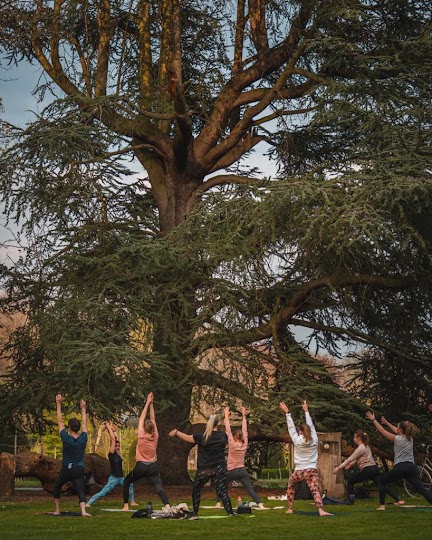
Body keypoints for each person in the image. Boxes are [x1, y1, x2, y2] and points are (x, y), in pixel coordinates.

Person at [169, 413, 235, 520]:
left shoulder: (202, 436)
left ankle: (195, 513)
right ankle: (230, 513)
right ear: (217, 423)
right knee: (222, 491)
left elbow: (187, 437)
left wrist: (177, 432)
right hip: (219, 468)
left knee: (196, 490)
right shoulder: (223, 436)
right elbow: (230, 441)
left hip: (204, 469)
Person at [366, 411, 432, 510]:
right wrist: (387, 423)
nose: (396, 429)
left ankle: (382, 506)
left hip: (400, 467)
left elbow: (382, 431)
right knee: (420, 487)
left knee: (382, 482)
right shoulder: (410, 438)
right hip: (411, 467)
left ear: (400, 430)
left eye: (397, 427)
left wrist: (373, 420)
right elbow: (397, 430)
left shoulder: (397, 439)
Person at [280, 400, 332, 517]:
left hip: (298, 471)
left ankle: (290, 508)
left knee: (290, 486)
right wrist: (306, 411)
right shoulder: (314, 440)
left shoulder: (297, 440)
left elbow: (291, 428)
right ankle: (321, 510)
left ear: (300, 432)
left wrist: (287, 413)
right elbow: (311, 425)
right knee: (315, 490)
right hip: (310, 470)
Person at [122, 392, 170, 511]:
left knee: (127, 481)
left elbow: (142, 418)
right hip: (152, 467)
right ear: (153, 428)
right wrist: (152, 405)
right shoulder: (156, 436)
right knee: (158, 487)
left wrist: (148, 402)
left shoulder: (142, 435)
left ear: (144, 428)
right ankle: (167, 505)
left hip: (141, 466)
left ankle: (126, 506)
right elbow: (152, 419)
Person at [332, 429, 404, 505]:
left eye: (354, 437)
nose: (353, 439)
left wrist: (338, 468)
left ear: (359, 438)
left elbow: (350, 459)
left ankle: (349, 500)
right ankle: (398, 500)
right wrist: (350, 464)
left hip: (368, 470)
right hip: (374, 469)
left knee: (351, 481)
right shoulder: (366, 446)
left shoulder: (360, 448)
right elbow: (358, 458)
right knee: (381, 484)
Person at [215, 406, 265, 509]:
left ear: (234, 437)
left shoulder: (232, 444)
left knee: (220, 483)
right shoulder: (244, 444)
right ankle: (260, 504)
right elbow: (245, 431)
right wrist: (244, 416)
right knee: (249, 488)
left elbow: (228, 430)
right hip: (242, 470)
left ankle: (218, 503)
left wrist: (226, 416)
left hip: (231, 470)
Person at [53, 393, 91, 517]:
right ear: (78, 428)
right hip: (78, 470)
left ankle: (57, 510)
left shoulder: (66, 438)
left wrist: (59, 404)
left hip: (67, 470)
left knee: (57, 486)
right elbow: (85, 424)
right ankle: (83, 512)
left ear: (69, 428)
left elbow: (59, 421)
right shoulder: (83, 438)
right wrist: (83, 409)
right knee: (80, 490)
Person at [86, 421, 138, 508]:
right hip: (113, 479)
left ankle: (132, 502)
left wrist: (114, 431)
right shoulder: (111, 454)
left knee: (130, 484)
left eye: (118, 446)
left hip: (121, 478)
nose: (117, 447)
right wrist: (108, 427)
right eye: (116, 446)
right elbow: (113, 439)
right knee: (103, 493)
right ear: (112, 447)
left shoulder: (118, 455)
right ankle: (88, 503)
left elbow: (115, 439)